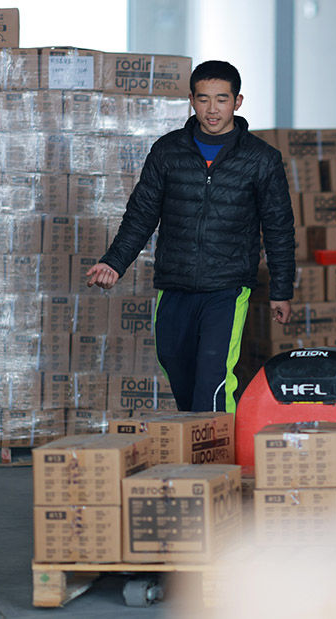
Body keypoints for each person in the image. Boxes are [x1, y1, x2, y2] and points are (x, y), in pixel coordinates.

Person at [87, 60, 295, 413]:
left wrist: (281, 290)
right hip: (175, 283)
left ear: (237, 102)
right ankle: (195, 436)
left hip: (227, 288)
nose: (212, 109)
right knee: (176, 366)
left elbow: (278, 228)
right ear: (191, 100)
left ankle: (216, 446)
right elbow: (141, 214)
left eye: (222, 99)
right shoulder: (168, 151)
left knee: (213, 379)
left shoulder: (261, 159)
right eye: (203, 99)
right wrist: (114, 262)